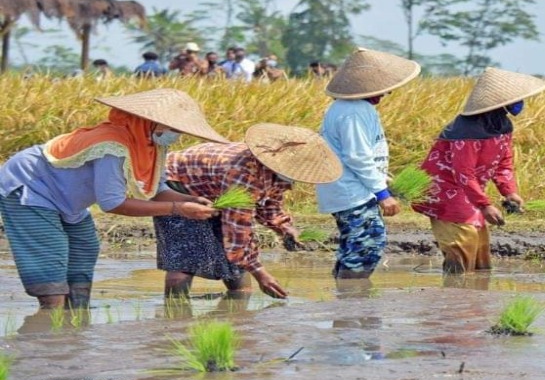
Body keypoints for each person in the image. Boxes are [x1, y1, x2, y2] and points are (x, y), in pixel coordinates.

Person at [0, 89, 227, 309]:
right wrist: (178, 208)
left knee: (85, 247)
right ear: (148, 121)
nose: (176, 134)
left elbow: (156, 189)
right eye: (172, 128)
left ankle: (76, 315)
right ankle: (51, 316)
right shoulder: (113, 146)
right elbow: (112, 204)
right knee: (51, 253)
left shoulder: (150, 144)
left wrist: (194, 200)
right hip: (31, 186)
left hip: (67, 195)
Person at [155, 124, 342, 299]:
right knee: (185, 259)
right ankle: (175, 315)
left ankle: (239, 312)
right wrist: (261, 274)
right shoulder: (244, 173)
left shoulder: (275, 171)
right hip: (176, 184)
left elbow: (269, 203)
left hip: (213, 188)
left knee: (235, 265)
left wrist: (284, 228)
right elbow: (238, 233)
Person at [413, 68, 545, 273]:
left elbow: (503, 162)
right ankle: (454, 294)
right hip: (445, 190)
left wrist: (509, 191)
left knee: (480, 243)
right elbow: (463, 173)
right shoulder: (466, 131)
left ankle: (475, 296)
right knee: (462, 242)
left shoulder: (502, 124)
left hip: (469, 191)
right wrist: (485, 205)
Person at [316, 48, 421, 281]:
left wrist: (383, 178)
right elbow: (357, 156)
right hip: (351, 191)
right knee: (367, 246)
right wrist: (382, 193)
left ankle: (346, 307)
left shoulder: (351, 108)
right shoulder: (353, 111)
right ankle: (352, 302)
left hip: (351, 189)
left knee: (353, 248)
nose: (388, 92)